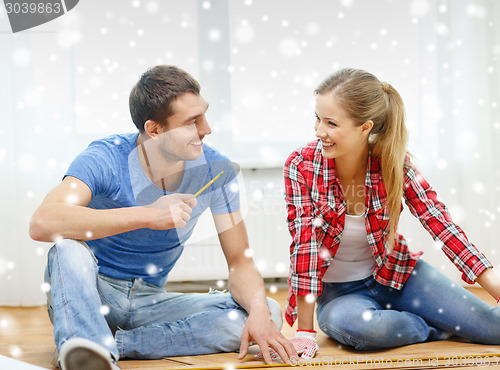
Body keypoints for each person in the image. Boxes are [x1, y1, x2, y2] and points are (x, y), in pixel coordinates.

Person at [29, 65, 296, 370]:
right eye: (192, 122)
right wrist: (148, 215)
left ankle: (104, 347)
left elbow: (240, 262)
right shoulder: (104, 158)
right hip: (93, 291)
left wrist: (258, 309)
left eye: (204, 115)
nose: (206, 129)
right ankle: (87, 343)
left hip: (149, 301)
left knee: (268, 313)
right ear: (155, 129)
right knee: (66, 249)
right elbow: (43, 222)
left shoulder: (216, 169)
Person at [282, 68, 500, 358]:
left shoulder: (394, 164)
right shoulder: (301, 165)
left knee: (494, 330)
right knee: (357, 329)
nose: (319, 131)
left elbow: (439, 222)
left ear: (365, 127)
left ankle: (429, 315)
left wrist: (493, 284)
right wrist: (305, 332)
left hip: (398, 274)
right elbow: (305, 246)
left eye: (331, 123)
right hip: (340, 293)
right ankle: (432, 327)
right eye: (317, 118)